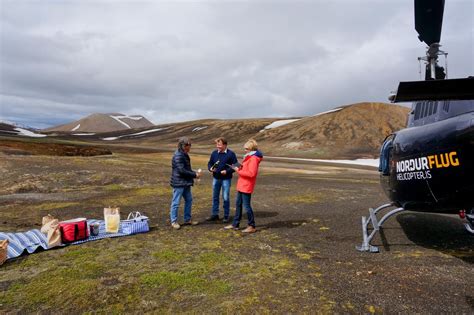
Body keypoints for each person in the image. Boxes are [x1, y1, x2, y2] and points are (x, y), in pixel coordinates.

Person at [224, 139, 263, 233]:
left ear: (251, 149)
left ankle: (252, 225)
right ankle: (235, 224)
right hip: (242, 184)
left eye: (246, 148)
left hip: (246, 185)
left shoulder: (253, 159)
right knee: (238, 204)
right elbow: (247, 170)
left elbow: (251, 174)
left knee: (246, 206)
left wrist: (238, 170)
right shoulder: (249, 157)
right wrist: (239, 167)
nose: (244, 150)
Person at [169, 137, 202, 230]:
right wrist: (195, 175)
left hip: (185, 182)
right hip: (179, 182)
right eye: (189, 145)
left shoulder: (183, 154)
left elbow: (186, 169)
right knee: (176, 202)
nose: (190, 147)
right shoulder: (178, 155)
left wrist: (194, 173)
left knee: (189, 200)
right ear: (184, 146)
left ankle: (187, 219)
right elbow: (181, 170)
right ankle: (174, 221)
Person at [206, 137, 238, 223]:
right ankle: (215, 214)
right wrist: (210, 168)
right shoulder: (214, 153)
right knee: (215, 197)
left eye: (219, 145)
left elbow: (236, 166)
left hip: (226, 179)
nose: (218, 146)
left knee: (225, 197)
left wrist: (227, 171)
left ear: (225, 145)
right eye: (217, 144)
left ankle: (226, 216)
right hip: (216, 178)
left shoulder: (231, 154)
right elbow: (210, 163)